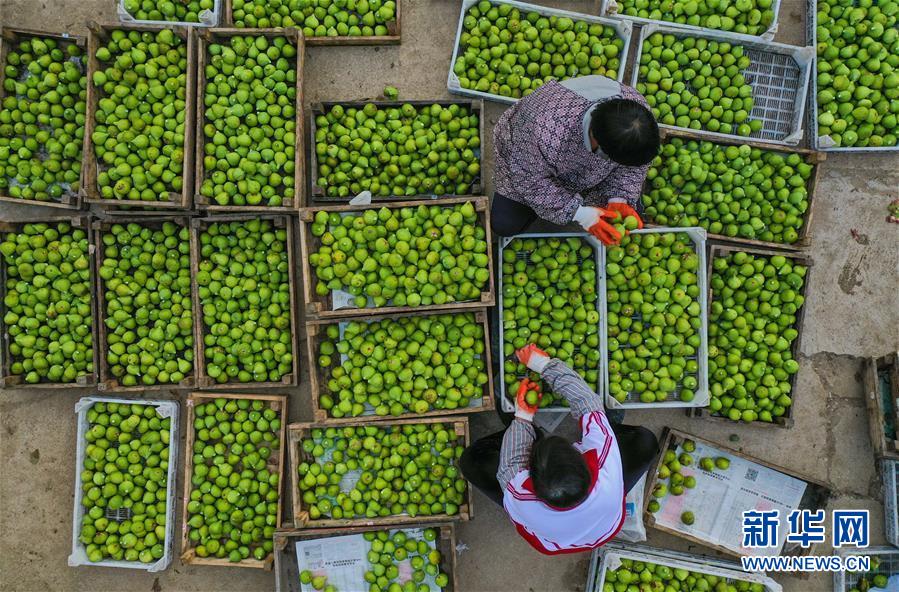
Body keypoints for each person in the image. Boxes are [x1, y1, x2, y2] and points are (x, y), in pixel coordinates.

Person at [459, 344, 659, 555]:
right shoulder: (605, 465)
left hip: (556, 540)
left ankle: (532, 433)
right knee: (645, 442)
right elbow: (588, 403)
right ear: (582, 462)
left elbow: (511, 462)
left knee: (471, 462)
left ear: (532, 479)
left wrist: (523, 416)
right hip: (602, 526)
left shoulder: (521, 496)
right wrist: (544, 364)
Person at [491, 74, 661, 244]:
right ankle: (539, 210)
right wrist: (578, 213)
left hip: (577, 165)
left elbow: (635, 166)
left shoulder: (637, 114)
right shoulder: (544, 128)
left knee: (628, 211)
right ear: (600, 148)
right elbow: (529, 180)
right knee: (505, 224)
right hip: (523, 161)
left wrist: (619, 198)